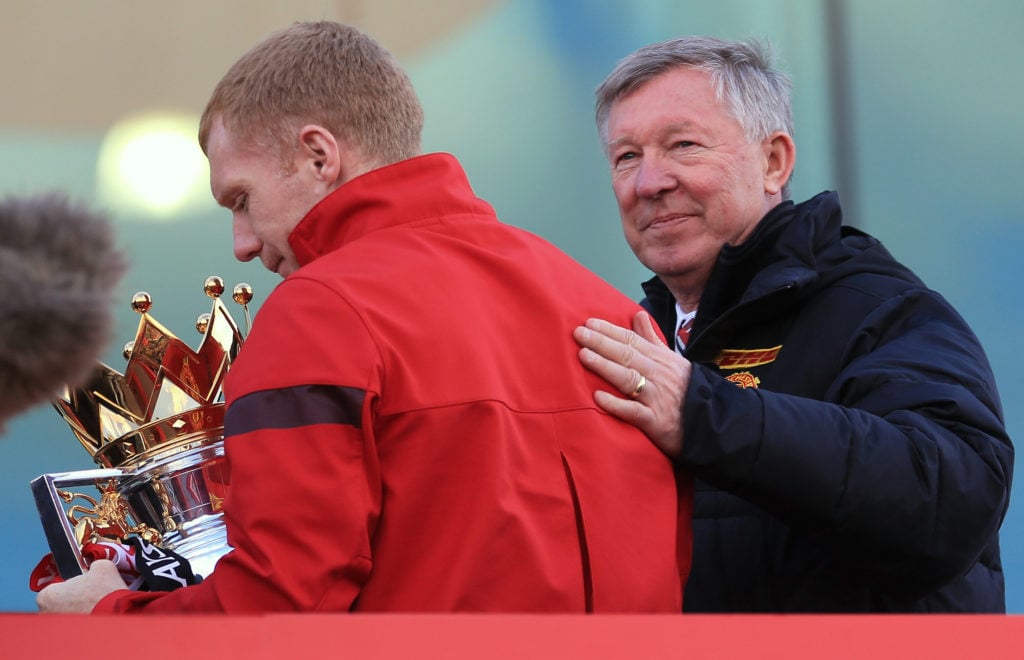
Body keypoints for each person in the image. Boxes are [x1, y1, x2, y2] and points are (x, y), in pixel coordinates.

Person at [36, 21, 688, 614]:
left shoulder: (318, 314)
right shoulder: (616, 313)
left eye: (242, 198)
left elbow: (277, 610)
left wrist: (105, 617)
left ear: (321, 156)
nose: (242, 243)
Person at [572, 36, 1013, 612]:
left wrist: (705, 415)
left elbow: (951, 500)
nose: (648, 182)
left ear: (774, 161)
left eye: (683, 145)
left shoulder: (879, 309)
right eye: (626, 157)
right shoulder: (634, 341)